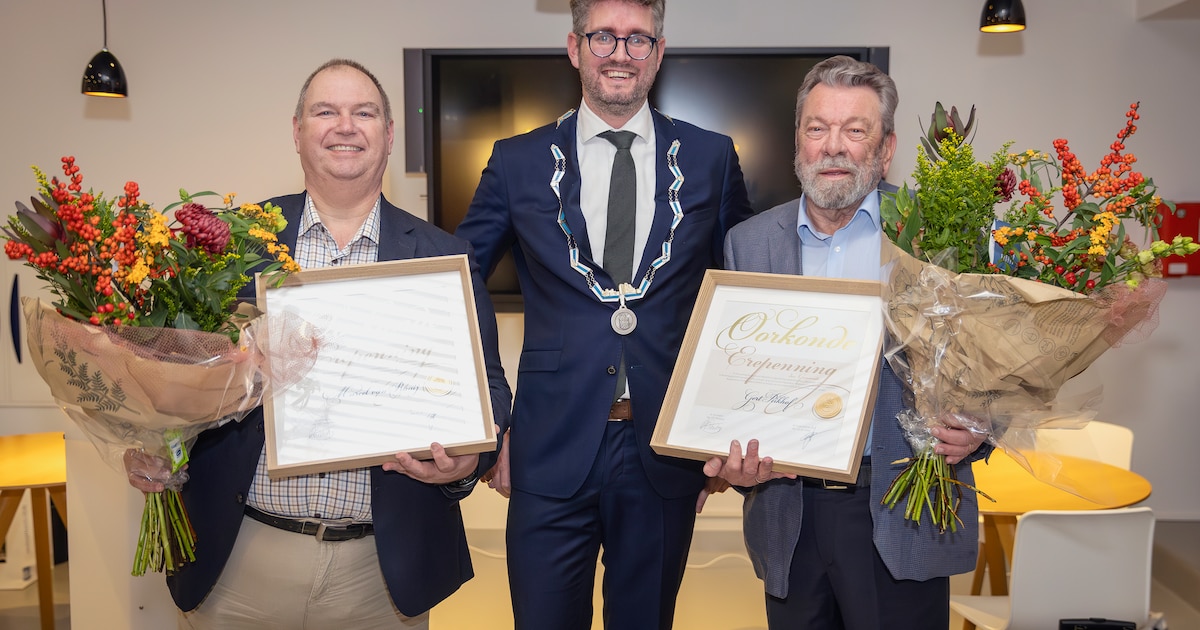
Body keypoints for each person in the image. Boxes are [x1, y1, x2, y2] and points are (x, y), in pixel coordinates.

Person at [125, 58, 512, 629]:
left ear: (388, 135)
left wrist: (470, 457)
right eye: (325, 111)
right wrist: (154, 442)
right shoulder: (234, 245)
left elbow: (491, 388)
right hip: (240, 560)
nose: (345, 125)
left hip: (381, 572)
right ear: (298, 131)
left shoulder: (441, 257)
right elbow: (173, 368)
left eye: (365, 112)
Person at [454, 1, 752, 627]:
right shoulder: (517, 161)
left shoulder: (711, 157)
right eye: (604, 37)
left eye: (638, 39)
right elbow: (458, 289)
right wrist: (492, 417)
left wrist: (724, 422)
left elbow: (741, 299)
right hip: (546, 446)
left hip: (664, 455)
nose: (620, 52)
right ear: (574, 47)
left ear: (659, 52)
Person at [707, 55, 991, 629]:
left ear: (884, 150)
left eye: (854, 130)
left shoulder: (938, 233)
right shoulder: (750, 245)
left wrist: (981, 427)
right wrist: (726, 458)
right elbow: (732, 385)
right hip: (789, 513)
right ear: (798, 143)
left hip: (901, 508)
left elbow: (996, 363)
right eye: (817, 128)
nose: (833, 146)